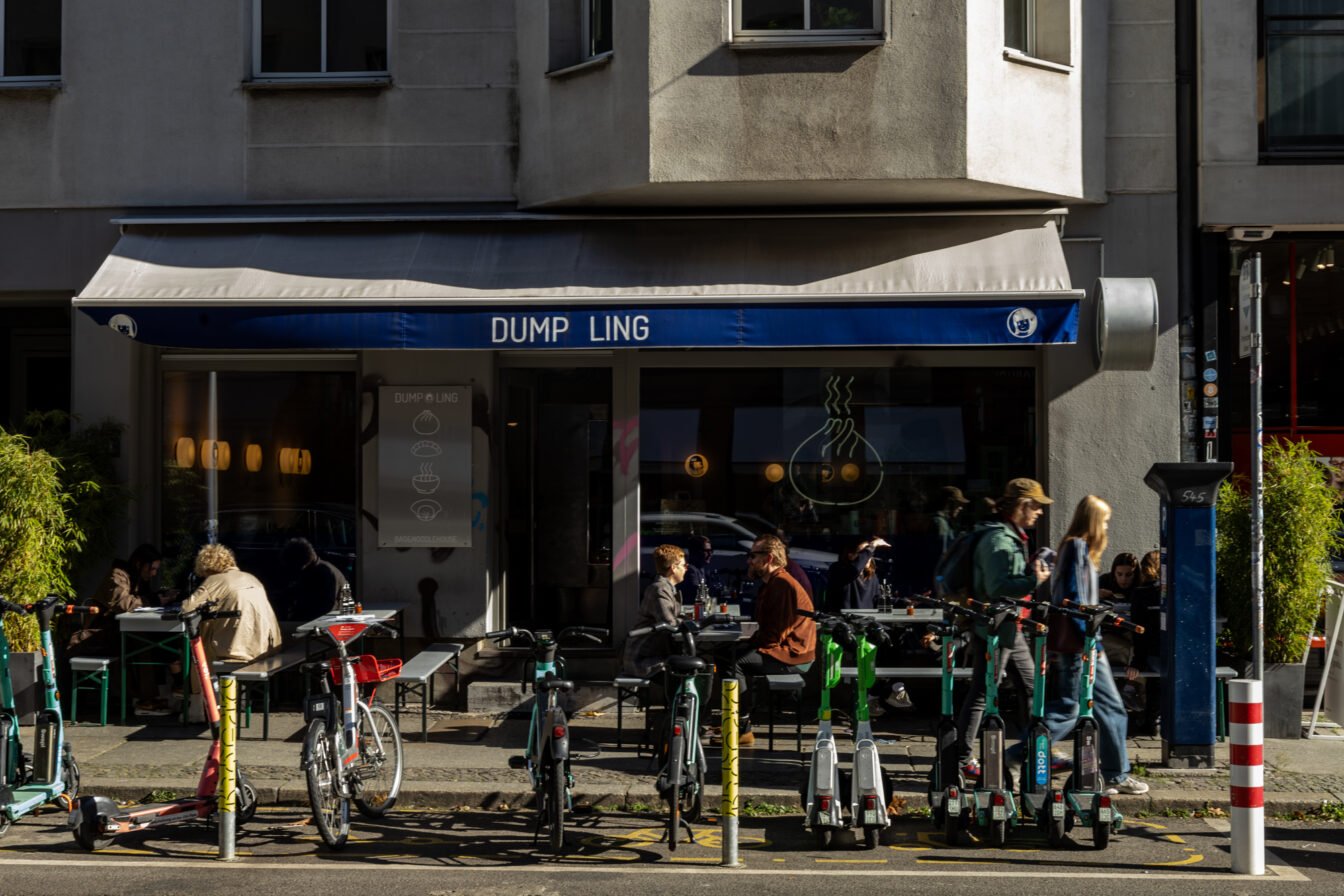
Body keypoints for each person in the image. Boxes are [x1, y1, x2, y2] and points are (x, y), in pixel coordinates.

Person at [1043, 495, 1149, 795]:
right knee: (1101, 709)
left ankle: (1021, 756)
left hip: (1078, 643)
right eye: (1103, 520)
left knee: (1082, 709)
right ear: (1092, 521)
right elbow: (1077, 602)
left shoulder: (1070, 547)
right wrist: (1090, 637)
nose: (1106, 527)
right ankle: (1114, 773)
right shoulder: (1078, 547)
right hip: (1084, 643)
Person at [954, 478, 1053, 777]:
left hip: (1012, 626)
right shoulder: (998, 540)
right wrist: (1033, 580)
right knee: (983, 692)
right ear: (1022, 505)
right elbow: (996, 587)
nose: (1039, 511)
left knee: (1032, 687)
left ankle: (1034, 749)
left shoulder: (1011, 535)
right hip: (997, 629)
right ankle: (961, 760)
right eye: (1035, 505)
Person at [719, 534, 816, 747]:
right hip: (782, 649)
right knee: (726, 654)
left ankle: (741, 727)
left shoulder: (781, 584)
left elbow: (776, 634)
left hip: (792, 655)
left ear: (768, 558)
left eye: (753, 555)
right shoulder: (772, 583)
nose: (748, 560)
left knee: (733, 663)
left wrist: (749, 644)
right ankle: (728, 720)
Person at [67, 544, 175, 716]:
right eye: (152, 568)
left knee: (152, 638)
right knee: (140, 640)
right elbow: (122, 604)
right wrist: (153, 601)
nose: (154, 573)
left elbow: (137, 600)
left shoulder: (135, 579)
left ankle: (158, 692)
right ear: (140, 564)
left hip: (114, 633)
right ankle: (144, 700)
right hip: (96, 636)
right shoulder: (117, 576)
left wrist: (159, 597)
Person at [180, 543, 282, 721]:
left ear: (206, 567)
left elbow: (187, 608)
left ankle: (199, 710)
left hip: (237, 652)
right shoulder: (250, 578)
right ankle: (235, 703)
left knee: (200, 648)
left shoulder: (216, 580)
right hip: (265, 647)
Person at [623, 544, 685, 678]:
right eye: (683, 566)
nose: (686, 569)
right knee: (683, 669)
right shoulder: (659, 590)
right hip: (642, 661)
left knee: (684, 667)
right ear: (673, 568)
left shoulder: (665, 588)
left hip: (652, 656)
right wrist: (689, 621)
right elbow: (669, 624)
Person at [276, 537, 348, 622]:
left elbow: (326, 608)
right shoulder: (313, 571)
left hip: (328, 622)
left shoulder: (324, 573)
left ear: (301, 564)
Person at [824, 536, 889, 611]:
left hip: (865, 621)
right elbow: (854, 571)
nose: (867, 557)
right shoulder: (837, 569)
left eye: (869, 553)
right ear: (850, 555)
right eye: (863, 552)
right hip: (842, 620)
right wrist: (872, 546)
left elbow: (878, 599)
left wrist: (902, 602)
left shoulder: (871, 576)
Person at [1098, 551, 1139, 668]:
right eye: (1119, 574)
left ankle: (1134, 683)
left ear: (1135, 574)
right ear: (1114, 573)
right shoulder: (1105, 581)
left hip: (1131, 630)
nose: (1123, 579)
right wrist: (1097, 594)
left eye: (1128, 575)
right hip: (1108, 630)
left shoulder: (1140, 587)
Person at [932, 485, 970, 556]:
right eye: (958, 503)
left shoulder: (944, 522)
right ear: (949, 502)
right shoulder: (940, 523)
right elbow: (940, 555)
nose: (960, 508)